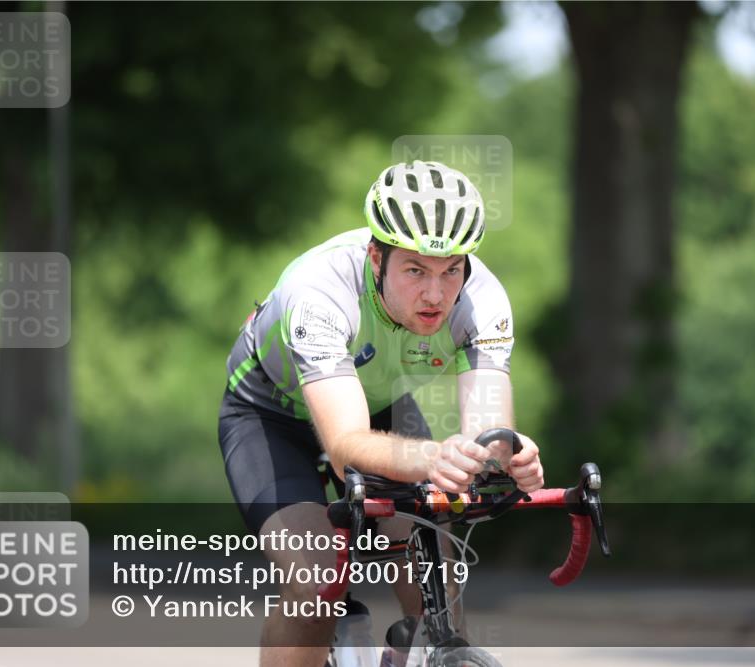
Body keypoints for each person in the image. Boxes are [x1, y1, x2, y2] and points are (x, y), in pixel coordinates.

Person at [217, 160, 544, 666]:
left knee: (435, 575)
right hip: (270, 411)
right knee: (316, 583)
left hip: (377, 401)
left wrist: (508, 457)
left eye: (450, 270)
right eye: (415, 270)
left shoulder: (482, 299)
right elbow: (348, 447)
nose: (436, 294)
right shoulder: (319, 291)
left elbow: (488, 435)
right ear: (376, 257)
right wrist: (435, 458)